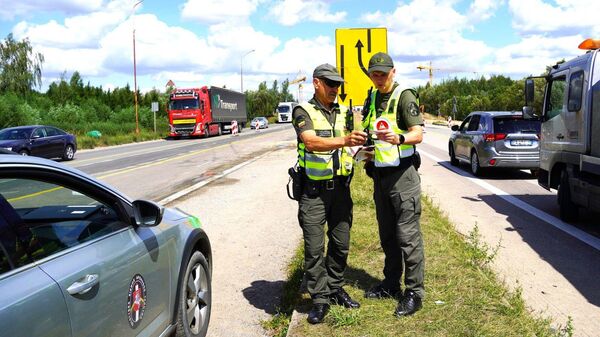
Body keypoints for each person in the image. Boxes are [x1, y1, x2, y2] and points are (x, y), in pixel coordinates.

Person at [292, 63, 367, 324]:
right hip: (314, 193)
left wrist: (362, 150)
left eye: (338, 85)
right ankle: (320, 299)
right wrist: (345, 141)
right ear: (316, 83)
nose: (336, 89)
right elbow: (311, 142)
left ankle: (335, 288)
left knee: (340, 244)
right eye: (330, 84)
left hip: (341, 192)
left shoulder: (345, 111)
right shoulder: (304, 111)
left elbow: (352, 144)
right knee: (314, 249)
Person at [361, 52, 426, 317]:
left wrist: (398, 138)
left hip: (403, 177)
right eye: (374, 74)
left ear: (393, 71)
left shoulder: (405, 96)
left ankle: (414, 293)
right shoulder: (373, 96)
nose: (378, 79)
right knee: (387, 234)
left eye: (382, 74)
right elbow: (369, 128)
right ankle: (391, 283)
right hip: (380, 177)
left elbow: (418, 134)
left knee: (407, 236)